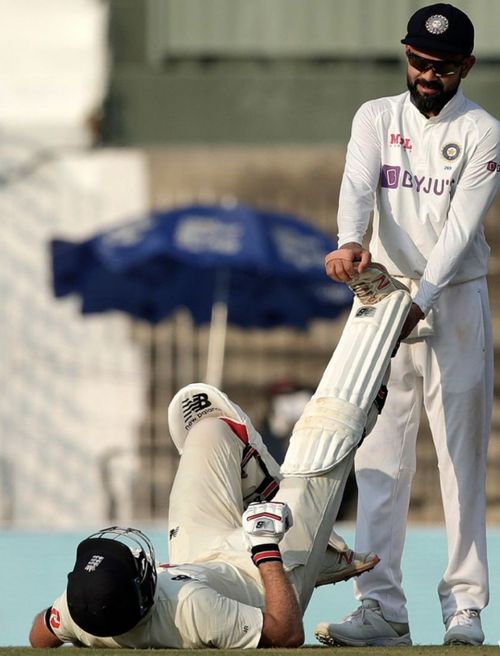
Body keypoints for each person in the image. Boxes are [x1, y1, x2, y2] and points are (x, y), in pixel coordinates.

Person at [29, 265, 411, 649]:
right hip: (266, 574)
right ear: (140, 597)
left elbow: (39, 633)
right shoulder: (194, 611)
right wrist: (265, 548)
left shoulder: (83, 614)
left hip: (199, 555)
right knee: (321, 435)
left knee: (205, 420)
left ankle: (314, 540)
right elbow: (285, 633)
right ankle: (381, 307)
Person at [317, 3, 500, 648]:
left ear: (465, 67)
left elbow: (458, 232)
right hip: (382, 298)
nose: (428, 75)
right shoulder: (376, 116)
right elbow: (358, 184)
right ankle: (381, 607)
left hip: (453, 305)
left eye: (443, 66)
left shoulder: (483, 130)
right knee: (378, 460)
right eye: (419, 61)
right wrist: (349, 244)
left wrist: (420, 299)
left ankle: (464, 607)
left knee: (459, 456)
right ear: (406, 55)